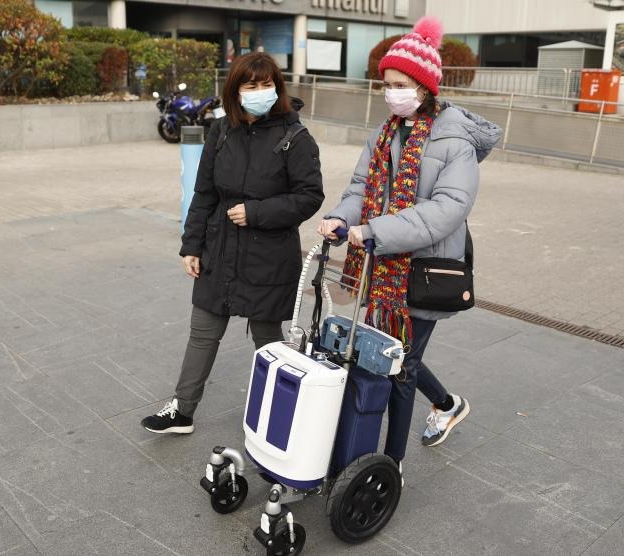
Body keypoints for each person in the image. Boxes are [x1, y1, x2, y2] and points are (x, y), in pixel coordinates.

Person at [317, 17, 502, 467]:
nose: (390, 93)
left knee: (398, 367)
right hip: (383, 268)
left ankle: (391, 466)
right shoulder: (384, 133)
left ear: (424, 87)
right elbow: (362, 188)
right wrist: (342, 218)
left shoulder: (454, 141)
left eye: (400, 84)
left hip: (425, 270)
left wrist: (374, 231)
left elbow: (447, 209)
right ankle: (447, 404)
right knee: (394, 353)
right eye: (385, 84)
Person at [142, 52, 325, 434]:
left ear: (277, 87)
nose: (260, 92)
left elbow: (309, 197)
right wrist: (191, 246)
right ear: (235, 90)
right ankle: (182, 410)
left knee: (267, 339)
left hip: (267, 256)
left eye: (266, 85)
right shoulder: (221, 132)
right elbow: (204, 193)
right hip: (219, 249)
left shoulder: (296, 137)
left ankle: (277, 415)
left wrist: (257, 212)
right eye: (251, 85)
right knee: (203, 331)